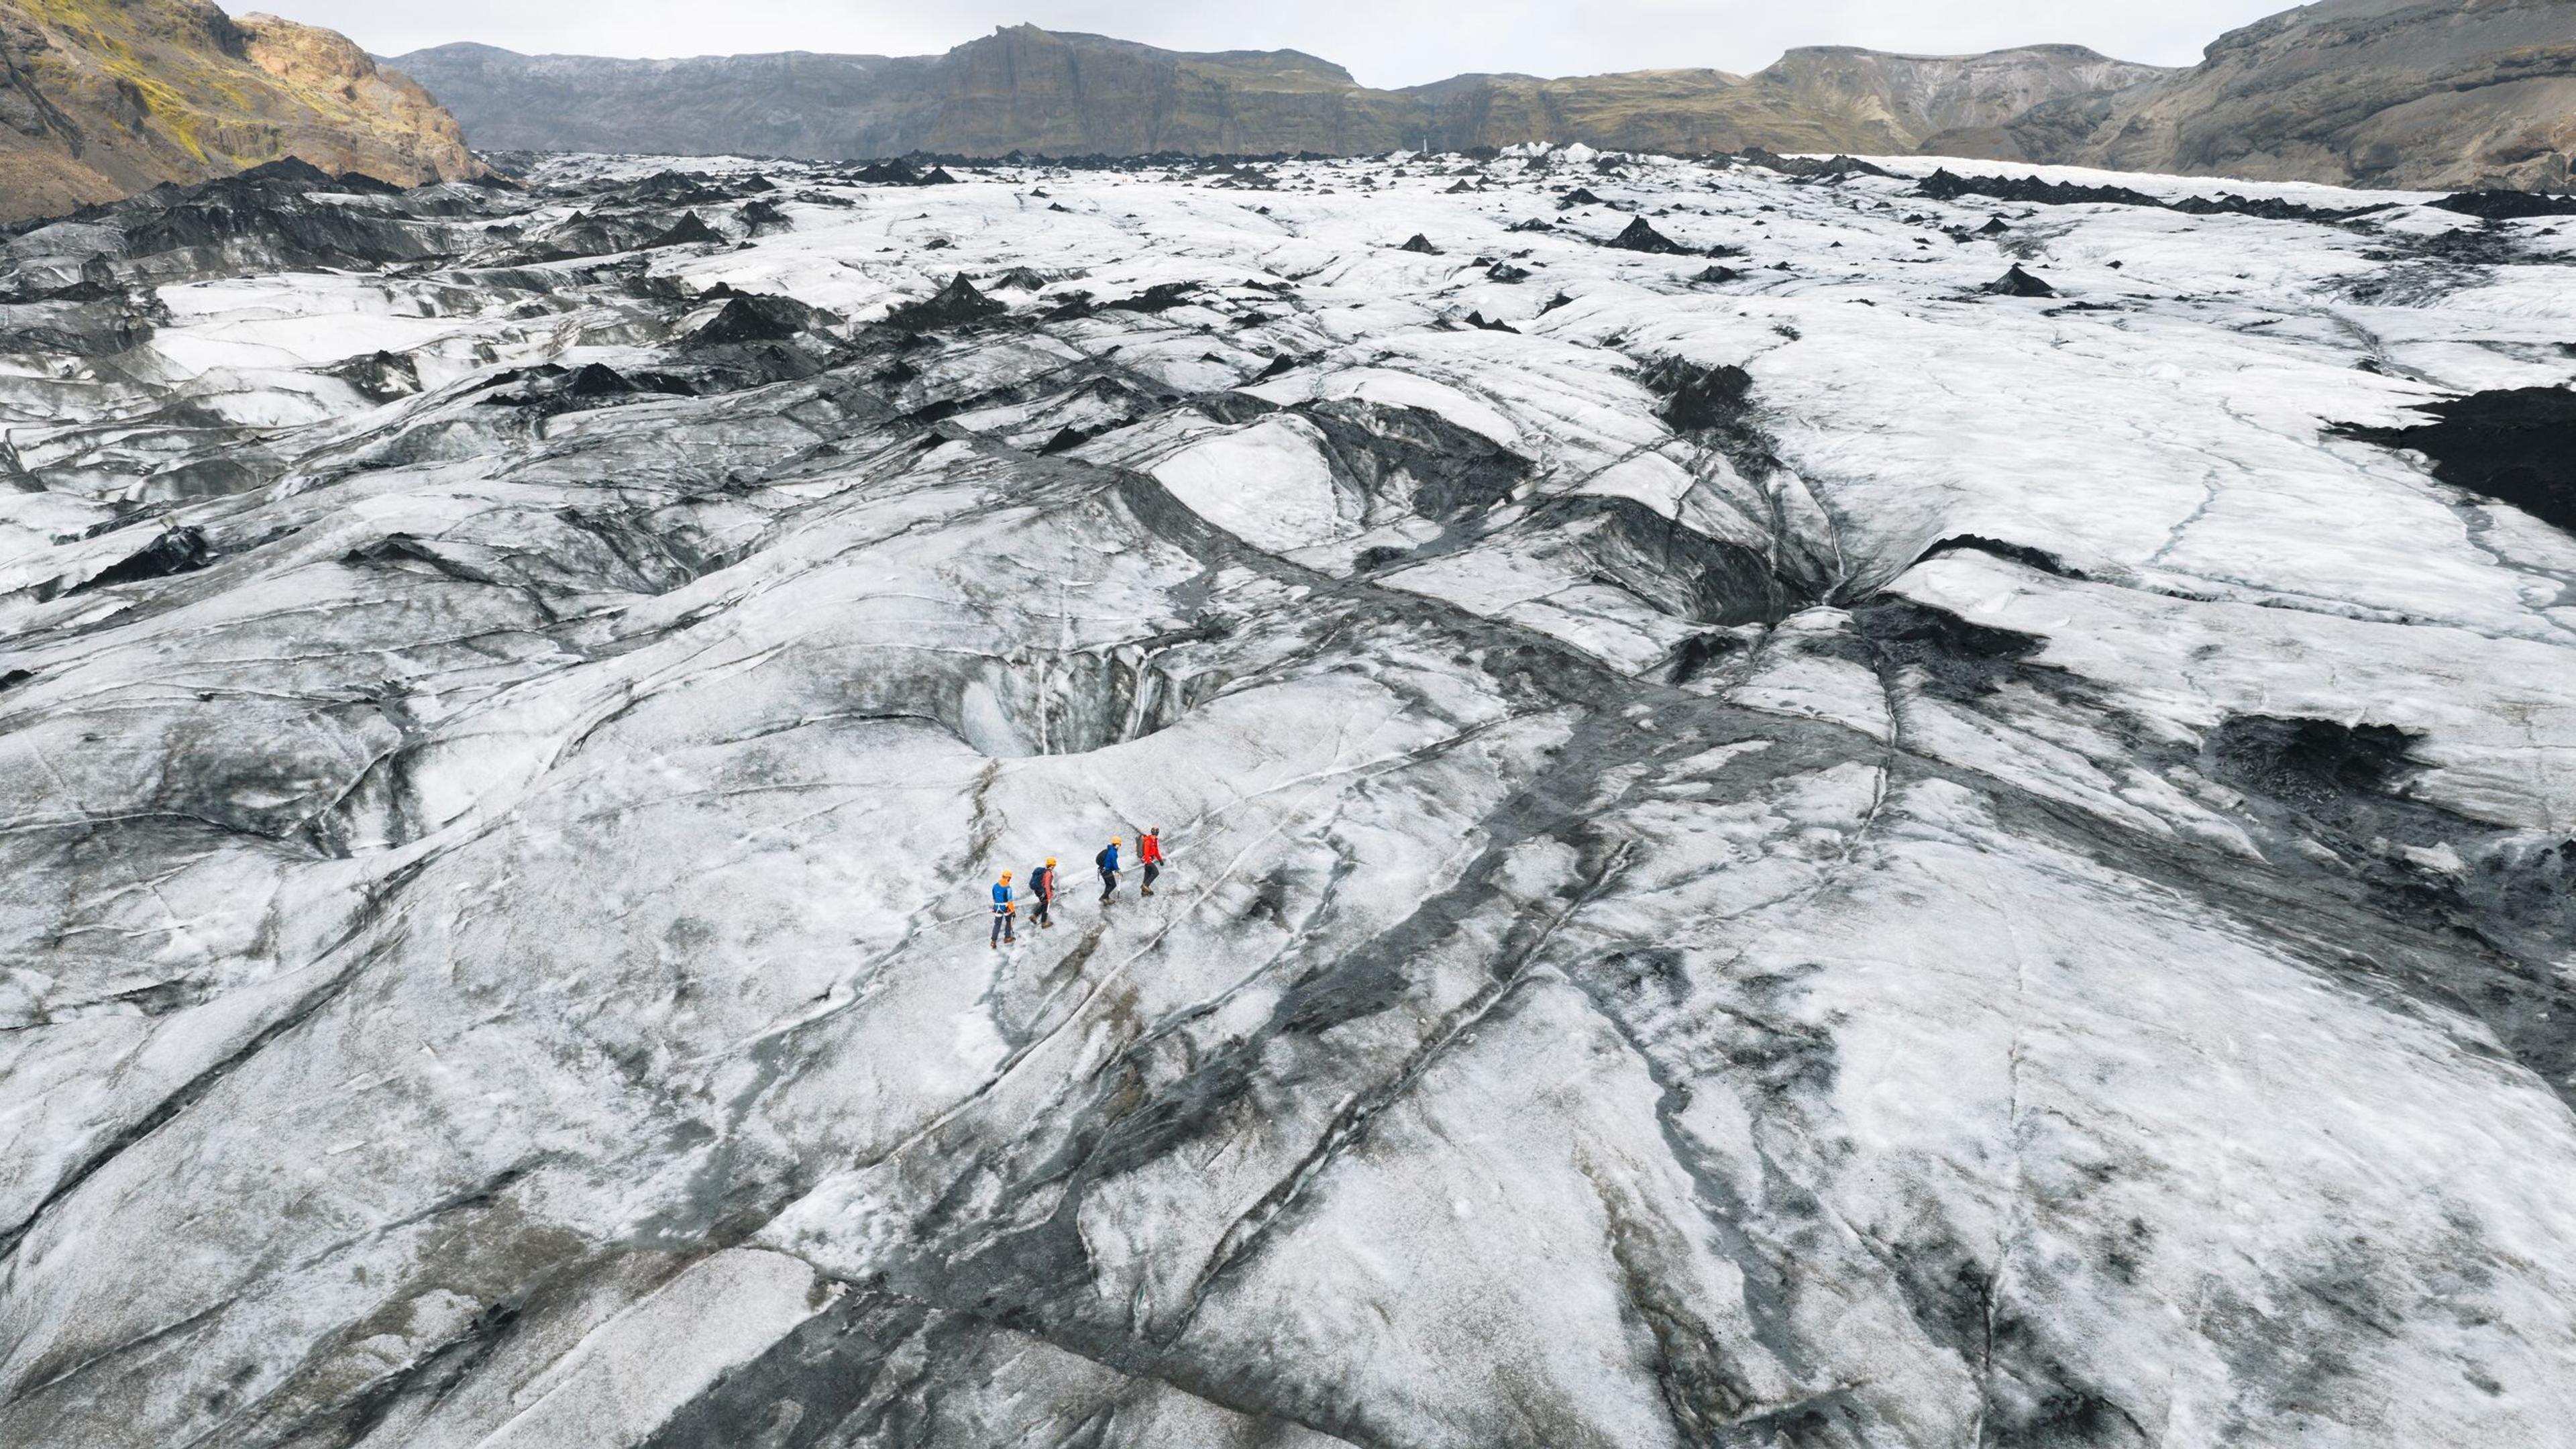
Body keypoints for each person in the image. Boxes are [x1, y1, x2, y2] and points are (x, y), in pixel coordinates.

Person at [989, 870, 1016, 948]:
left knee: (997, 924)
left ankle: (993, 941)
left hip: (997, 907)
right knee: (1008, 921)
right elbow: (1010, 901)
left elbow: (994, 898)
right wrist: (1013, 911)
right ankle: (1007, 937)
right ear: (1008, 878)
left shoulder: (995, 886)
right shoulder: (1008, 888)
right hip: (1006, 907)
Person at [1030, 857, 1057, 928]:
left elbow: (1045, 882)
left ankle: (1034, 916)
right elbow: (1047, 885)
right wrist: (1049, 894)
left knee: (1044, 904)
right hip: (1042, 891)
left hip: (1039, 891)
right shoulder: (1048, 873)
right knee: (1047, 904)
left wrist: (1051, 887)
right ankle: (1043, 923)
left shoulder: (1045, 872)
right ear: (1053, 865)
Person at [1138, 827, 1163, 896]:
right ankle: (1145, 886)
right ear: (1157, 833)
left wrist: (1160, 860)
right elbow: (1146, 853)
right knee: (1156, 873)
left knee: (1147, 875)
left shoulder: (1154, 841)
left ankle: (1144, 892)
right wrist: (1149, 862)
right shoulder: (1148, 841)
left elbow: (1156, 852)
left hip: (1148, 862)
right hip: (1148, 861)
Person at [1097, 837, 1122, 903]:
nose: (1120, 846)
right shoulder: (1113, 852)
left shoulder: (1110, 850)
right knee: (1113, 885)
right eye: (1119, 844)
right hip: (1106, 871)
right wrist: (1118, 870)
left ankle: (1107, 899)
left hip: (1103, 870)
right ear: (1116, 844)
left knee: (1108, 885)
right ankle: (1103, 897)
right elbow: (1114, 862)